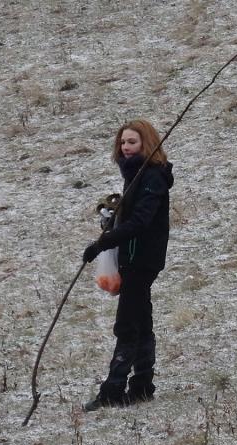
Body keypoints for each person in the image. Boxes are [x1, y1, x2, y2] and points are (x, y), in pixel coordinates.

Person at [82, 119, 174, 411]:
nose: (125, 147)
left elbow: (141, 222)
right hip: (133, 258)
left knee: (126, 324)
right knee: (141, 321)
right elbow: (132, 217)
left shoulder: (152, 177)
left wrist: (103, 243)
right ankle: (142, 386)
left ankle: (112, 390)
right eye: (122, 142)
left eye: (132, 142)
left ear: (147, 143)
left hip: (142, 260)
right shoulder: (136, 173)